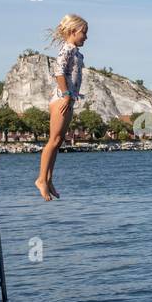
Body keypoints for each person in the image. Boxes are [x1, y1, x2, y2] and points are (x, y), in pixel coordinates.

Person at [36, 14, 88, 200]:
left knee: (58, 141)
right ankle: (41, 179)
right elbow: (59, 72)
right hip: (61, 99)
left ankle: (49, 179)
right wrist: (66, 95)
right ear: (73, 31)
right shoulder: (67, 49)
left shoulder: (75, 51)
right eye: (84, 33)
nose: (86, 37)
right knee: (53, 140)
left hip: (68, 99)